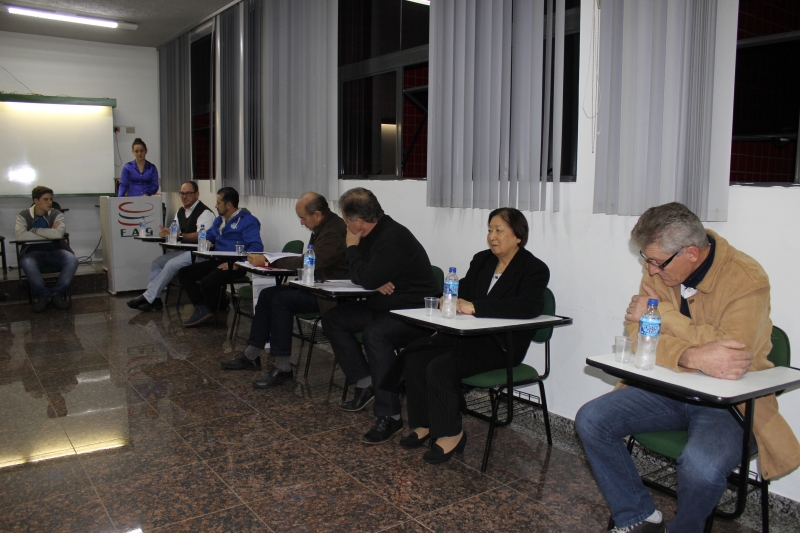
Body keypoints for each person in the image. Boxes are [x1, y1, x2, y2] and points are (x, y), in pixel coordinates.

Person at [575, 202, 800, 533]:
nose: (650, 270)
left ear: (691, 253)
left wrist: (666, 316)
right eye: (646, 259)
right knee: (591, 420)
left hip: (730, 404)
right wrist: (691, 357)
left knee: (701, 466)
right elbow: (637, 336)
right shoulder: (663, 267)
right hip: (668, 389)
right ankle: (638, 517)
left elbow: (732, 354)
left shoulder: (746, 278)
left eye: (656, 261)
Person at [397, 208, 549, 463]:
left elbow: (528, 306)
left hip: (501, 346)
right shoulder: (482, 260)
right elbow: (463, 290)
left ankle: (452, 433)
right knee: (416, 357)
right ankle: (425, 423)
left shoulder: (534, 268)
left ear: (518, 236)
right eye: (490, 230)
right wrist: (449, 298)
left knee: (441, 367)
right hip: (466, 337)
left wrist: (477, 307)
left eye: (499, 230)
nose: (492, 236)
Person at [322, 187, 438, 445]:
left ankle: (390, 416)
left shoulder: (392, 237)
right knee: (333, 319)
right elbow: (361, 276)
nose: (345, 225)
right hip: (385, 305)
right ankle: (366, 382)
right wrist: (371, 278)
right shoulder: (371, 233)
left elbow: (365, 275)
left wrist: (354, 252)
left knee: (376, 335)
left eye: (346, 220)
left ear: (359, 222)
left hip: (414, 312)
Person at [220, 192, 349, 388]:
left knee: (281, 301)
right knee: (267, 294)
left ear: (317, 214)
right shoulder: (321, 226)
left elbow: (310, 261)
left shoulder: (334, 231)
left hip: (330, 293)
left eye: (303, 218)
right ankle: (251, 355)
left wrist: (269, 261)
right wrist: (298, 281)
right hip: (315, 285)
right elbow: (315, 264)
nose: (301, 223)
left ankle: (283, 368)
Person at [178, 187, 263, 327]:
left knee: (208, 281)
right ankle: (203, 307)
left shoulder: (248, 221)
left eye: (218, 203)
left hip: (235, 265)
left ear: (228, 205)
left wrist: (238, 263)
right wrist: (206, 241)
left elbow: (256, 247)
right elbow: (209, 236)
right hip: (217, 260)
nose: (216, 206)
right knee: (184, 273)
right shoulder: (219, 221)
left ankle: (214, 307)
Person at [126, 180, 214, 312]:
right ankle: (155, 299)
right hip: (183, 250)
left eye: (188, 193)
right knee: (157, 263)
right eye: (182, 193)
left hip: (199, 253)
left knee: (171, 264)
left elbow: (202, 235)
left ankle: (148, 297)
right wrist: (166, 233)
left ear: (197, 194)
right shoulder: (180, 211)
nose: (184, 197)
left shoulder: (205, 213)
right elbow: (175, 231)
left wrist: (179, 235)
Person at [15, 186, 79, 312]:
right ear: (36, 201)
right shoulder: (23, 215)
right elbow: (20, 236)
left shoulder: (57, 214)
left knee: (72, 260)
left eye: (50, 199)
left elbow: (58, 235)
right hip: (33, 253)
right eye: (45, 199)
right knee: (27, 263)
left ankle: (56, 293)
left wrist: (34, 230)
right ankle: (43, 295)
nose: (50, 202)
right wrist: (49, 232)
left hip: (55, 251)